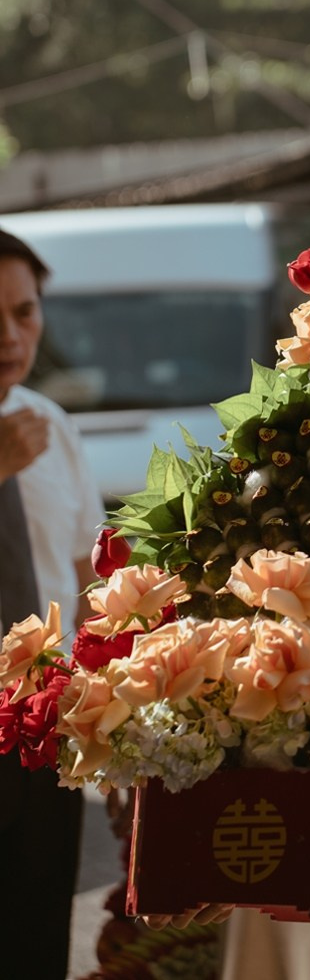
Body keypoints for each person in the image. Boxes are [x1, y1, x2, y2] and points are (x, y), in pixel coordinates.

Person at [0, 225, 104, 980]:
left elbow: (89, 584)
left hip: (43, 733)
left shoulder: (51, 424)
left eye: (23, 313)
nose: (9, 337)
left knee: (36, 934)